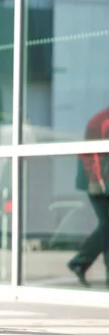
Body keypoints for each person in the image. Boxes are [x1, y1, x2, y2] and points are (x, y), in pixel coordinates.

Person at [67, 106, 109, 287]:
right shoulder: (100, 120)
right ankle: (80, 262)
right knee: (108, 225)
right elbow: (91, 152)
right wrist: (95, 178)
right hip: (95, 177)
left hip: (104, 176)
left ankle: (81, 262)